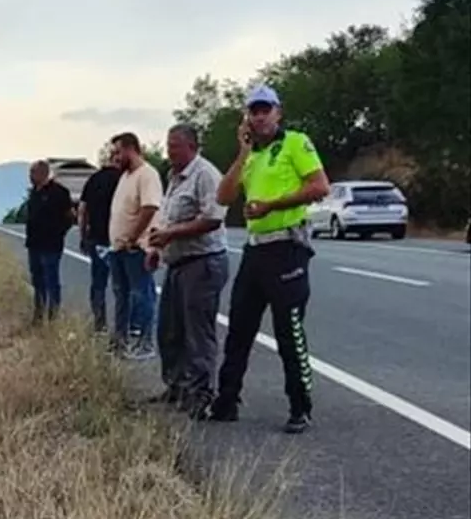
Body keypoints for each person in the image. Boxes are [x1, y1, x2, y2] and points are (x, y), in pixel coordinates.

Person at [211, 84, 330, 434]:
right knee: (239, 329)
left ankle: (300, 405)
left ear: (278, 112)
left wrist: (272, 205)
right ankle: (227, 401)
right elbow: (224, 195)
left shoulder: (295, 143)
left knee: (288, 331)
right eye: (254, 111)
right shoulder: (251, 155)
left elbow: (320, 186)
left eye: (265, 110)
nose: (259, 117)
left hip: (286, 247)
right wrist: (242, 153)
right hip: (255, 248)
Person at [142, 124, 229, 418]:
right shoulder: (174, 177)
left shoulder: (205, 174)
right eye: (168, 145)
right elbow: (168, 217)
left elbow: (212, 218)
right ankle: (177, 386)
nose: (170, 151)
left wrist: (172, 235)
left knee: (197, 333)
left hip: (202, 262)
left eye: (175, 146)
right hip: (177, 263)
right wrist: (157, 248)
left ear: (192, 146)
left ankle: (201, 393)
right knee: (170, 330)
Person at [107, 132, 163, 359]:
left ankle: (145, 343)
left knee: (142, 295)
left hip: (136, 248)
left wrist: (133, 237)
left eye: (118, 152)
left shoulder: (147, 175)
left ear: (131, 149)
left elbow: (149, 208)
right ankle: (120, 341)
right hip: (118, 248)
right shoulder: (126, 177)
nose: (115, 157)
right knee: (121, 295)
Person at [77, 148, 123, 332]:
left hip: (97, 238)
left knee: (98, 283)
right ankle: (124, 327)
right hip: (120, 239)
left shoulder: (94, 179)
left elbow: (82, 210)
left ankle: (100, 323)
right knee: (122, 286)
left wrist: (83, 235)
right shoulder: (125, 179)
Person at [23, 160, 74, 323]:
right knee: (37, 279)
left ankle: (53, 315)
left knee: (51, 279)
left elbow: (70, 216)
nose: (30, 177)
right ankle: (38, 313)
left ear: (42, 173)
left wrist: (59, 232)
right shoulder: (34, 192)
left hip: (51, 244)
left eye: (32, 173)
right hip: (34, 243)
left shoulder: (59, 192)